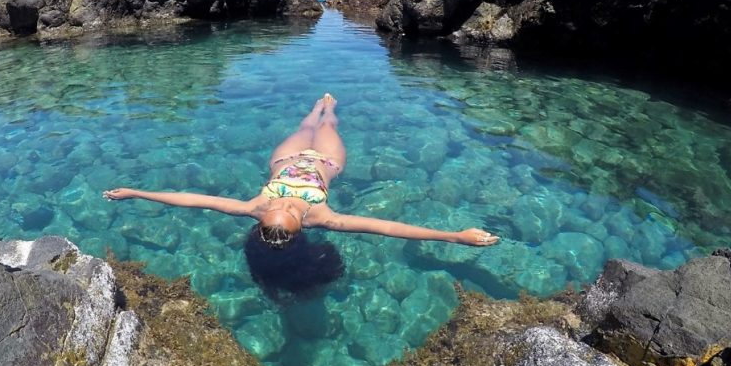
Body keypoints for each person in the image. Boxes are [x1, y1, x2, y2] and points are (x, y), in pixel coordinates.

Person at [103, 93, 500, 249]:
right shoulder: (322, 217)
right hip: (326, 163)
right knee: (328, 128)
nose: (289, 206)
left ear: (264, 218)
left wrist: (137, 192)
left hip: (286, 160)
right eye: (291, 214)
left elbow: (193, 200)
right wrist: (453, 235)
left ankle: (315, 107)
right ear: (299, 225)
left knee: (304, 127)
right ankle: (329, 111)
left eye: (282, 210)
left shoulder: (255, 207)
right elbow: (386, 227)